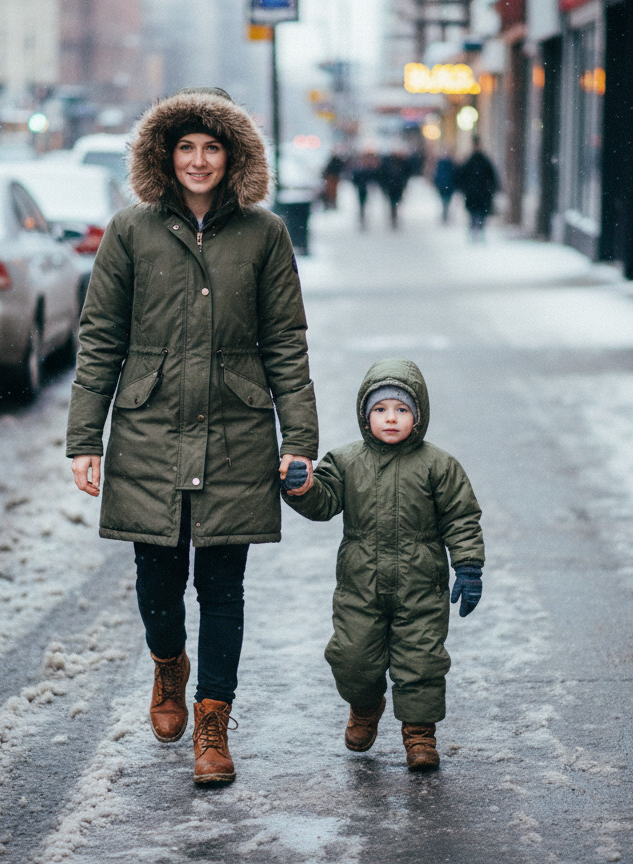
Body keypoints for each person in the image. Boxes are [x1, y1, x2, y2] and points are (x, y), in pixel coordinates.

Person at [65, 86, 319, 786]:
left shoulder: (265, 235)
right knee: (156, 578)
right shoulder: (131, 231)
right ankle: (168, 663)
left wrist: (298, 438)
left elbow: (286, 344)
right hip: (148, 426)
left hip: (237, 430)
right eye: (186, 147)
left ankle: (213, 724)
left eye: (212, 147)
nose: (199, 160)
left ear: (232, 155)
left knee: (223, 586)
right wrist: (86, 439)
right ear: (164, 154)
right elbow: (100, 339)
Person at [280, 358, 485, 771]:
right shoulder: (346, 461)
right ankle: (365, 704)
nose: (391, 419)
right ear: (364, 414)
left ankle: (419, 735)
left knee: (421, 661)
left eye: (402, 410)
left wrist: (468, 566)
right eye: (381, 410)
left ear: (418, 415)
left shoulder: (438, 465)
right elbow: (324, 501)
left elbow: (461, 518)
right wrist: (302, 488)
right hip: (361, 586)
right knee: (351, 657)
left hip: (421, 587)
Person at [455, 136, 501, 241]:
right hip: (475, 193)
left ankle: (478, 231)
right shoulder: (473, 161)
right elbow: (462, 176)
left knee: (480, 213)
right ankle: (474, 231)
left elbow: (492, 177)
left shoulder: (482, 161)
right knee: (474, 213)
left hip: (480, 193)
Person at [377, 148, 411, 230]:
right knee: (393, 203)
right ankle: (394, 217)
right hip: (393, 186)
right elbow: (383, 176)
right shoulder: (390, 164)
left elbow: (406, 174)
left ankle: (394, 216)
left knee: (395, 202)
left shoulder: (401, 163)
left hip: (396, 186)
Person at [350, 147, 379, 230]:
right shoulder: (360, 167)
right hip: (362, 188)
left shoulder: (371, 167)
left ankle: (364, 218)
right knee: (362, 205)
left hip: (365, 187)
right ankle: (362, 219)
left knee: (365, 204)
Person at [433, 152, 457, 224]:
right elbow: (454, 175)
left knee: (444, 200)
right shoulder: (450, 164)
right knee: (447, 200)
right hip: (448, 185)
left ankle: (445, 213)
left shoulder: (440, 164)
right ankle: (445, 213)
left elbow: (437, 175)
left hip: (443, 185)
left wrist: (437, 183)